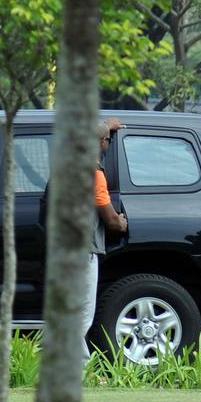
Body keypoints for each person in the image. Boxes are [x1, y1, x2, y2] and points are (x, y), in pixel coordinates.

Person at [79, 117, 128, 355]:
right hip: (84, 252)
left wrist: (107, 126)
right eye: (108, 140)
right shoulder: (95, 175)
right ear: (103, 143)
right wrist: (123, 222)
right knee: (83, 315)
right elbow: (111, 221)